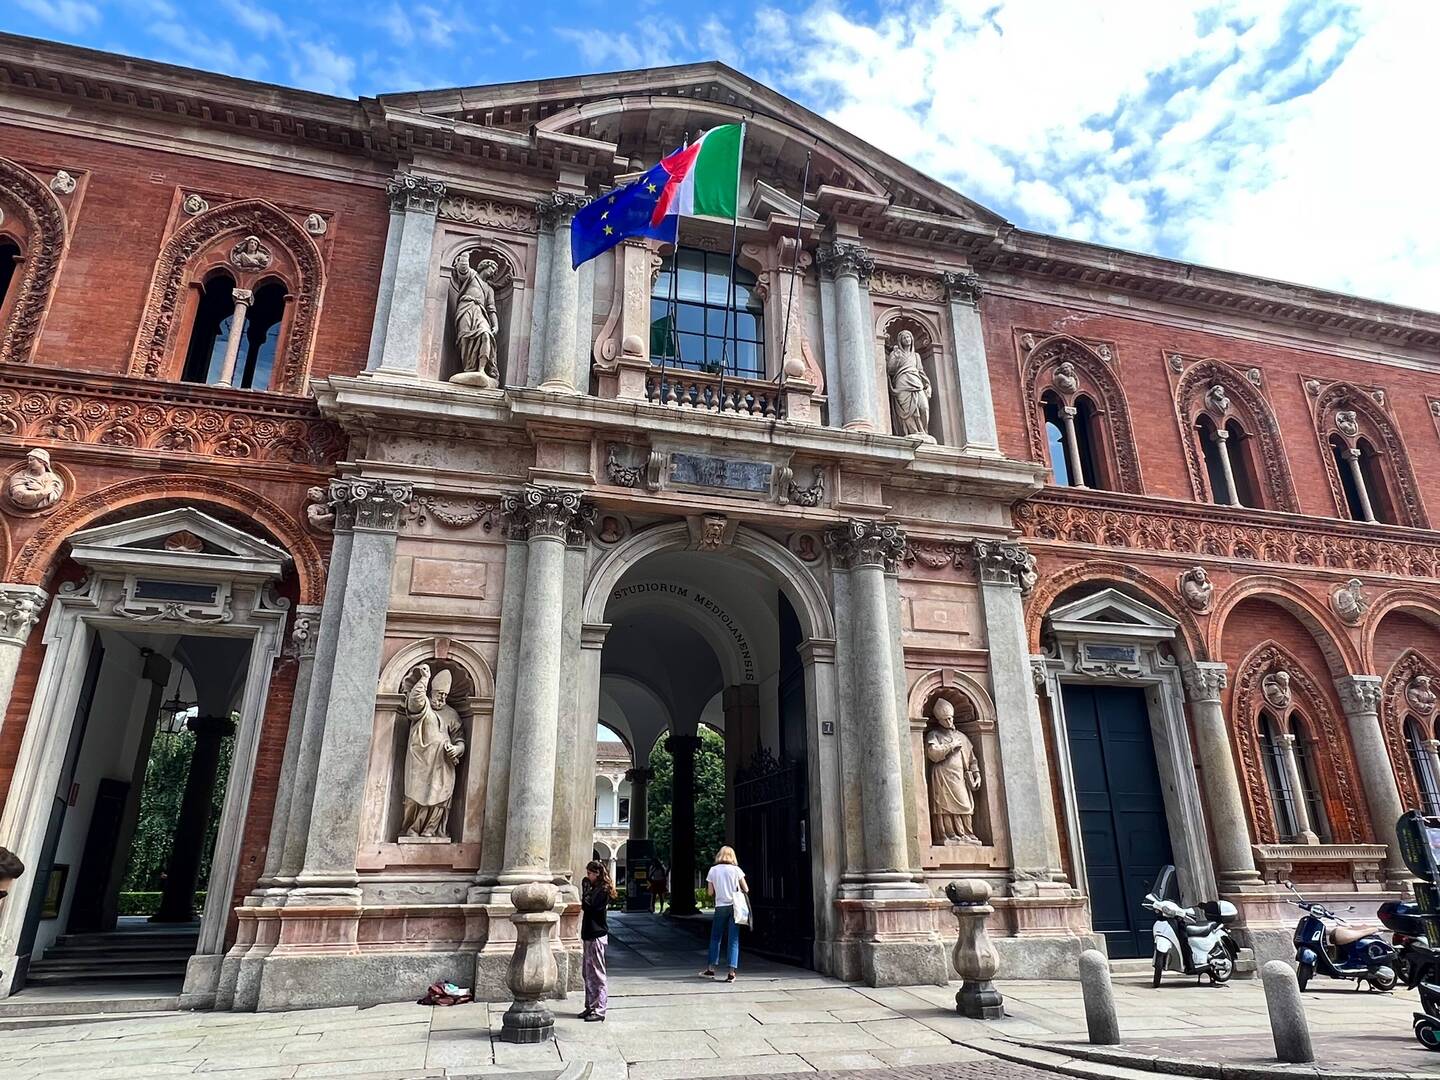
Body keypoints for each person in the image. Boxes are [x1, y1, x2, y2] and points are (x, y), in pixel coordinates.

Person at [700, 846, 748, 982]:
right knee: (733, 939)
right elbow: (746, 888)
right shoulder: (736, 870)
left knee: (715, 937)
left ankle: (711, 969)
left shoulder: (713, 870)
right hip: (734, 906)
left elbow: (710, 893)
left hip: (720, 906)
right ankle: (731, 973)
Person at [580, 859, 615, 1022]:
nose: (588, 876)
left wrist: (586, 892)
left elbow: (591, 906)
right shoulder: (594, 888)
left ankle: (600, 1009)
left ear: (597, 873)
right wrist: (587, 890)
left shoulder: (603, 890)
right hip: (589, 934)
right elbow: (585, 906)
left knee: (598, 974)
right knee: (587, 973)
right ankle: (590, 1005)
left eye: (590, 873)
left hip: (597, 934)